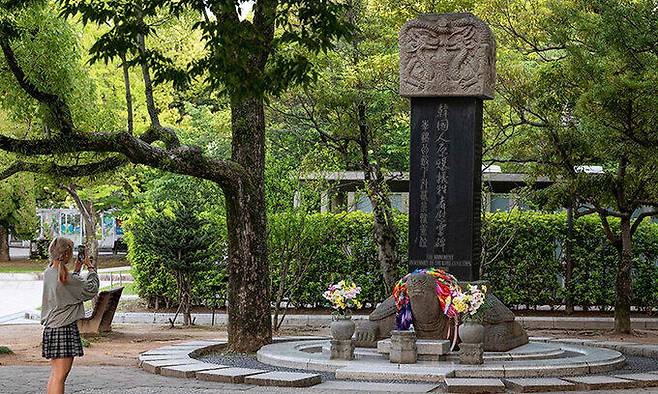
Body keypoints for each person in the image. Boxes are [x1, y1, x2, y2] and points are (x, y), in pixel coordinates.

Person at [41, 237, 99, 394]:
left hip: (52, 328)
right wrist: (90, 267)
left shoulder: (49, 272)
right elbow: (91, 289)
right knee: (61, 376)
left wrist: (77, 270)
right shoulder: (67, 279)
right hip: (64, 329)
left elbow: (68, 285)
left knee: (56, 375)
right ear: (66, 254)